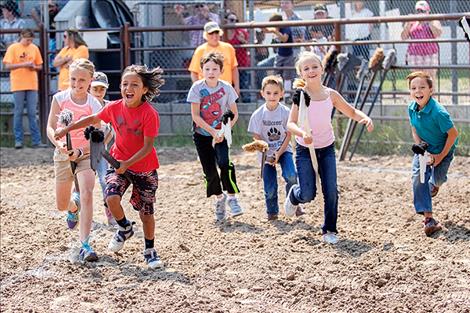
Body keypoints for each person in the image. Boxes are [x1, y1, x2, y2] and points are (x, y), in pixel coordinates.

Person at [55, 64, 165, 270]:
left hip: (144, 168)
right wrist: (67, 129)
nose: (128, 88)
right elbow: (93, 119)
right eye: (124, 84)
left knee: (146, 213)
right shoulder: (114, 107)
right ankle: (124, 228)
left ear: (145, 90)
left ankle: (150, 250)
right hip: (118, 161)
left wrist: (128, 164)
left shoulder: (149, 113)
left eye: (134, 84)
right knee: (111, 198)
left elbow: (148, 146)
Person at [285, 51, 374, 244]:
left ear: (322, 69)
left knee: (331, 190)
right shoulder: (300, 96)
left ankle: (329, 229)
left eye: (314, 67)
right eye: (306, 68)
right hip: (305, 150)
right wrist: (302, 134)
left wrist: (364, 118)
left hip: (326, 148)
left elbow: (350, 110)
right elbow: (290, 124)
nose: (311, 71)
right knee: (308, 194)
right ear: (301, 73)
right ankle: (294, 195)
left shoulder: (330, 94)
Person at [46, 58, 102, 262]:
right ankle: (73, 207)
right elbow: (51, 127)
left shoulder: (94, 104)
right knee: (62, 204)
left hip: (85, 153)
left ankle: (85, 244)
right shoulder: (59, 99)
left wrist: (79, 151)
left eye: (82, 80)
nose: (77, 84)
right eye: (73, 79)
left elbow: (98, 136)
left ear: (90, 81)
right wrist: (58, 144)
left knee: (87, 192)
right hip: (62, 154)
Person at [187, 52, 244, 222]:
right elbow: (196, 116)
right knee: (209, 170)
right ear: (202, 70)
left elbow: (234, 114)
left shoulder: (226, 88)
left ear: (221, 70)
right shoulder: (197, 88)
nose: (211, 72)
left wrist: (223, 131)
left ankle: (233, 198)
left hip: (222, 133)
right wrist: (212, 132)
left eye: (215, 69)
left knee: (225, 163)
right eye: (207, 69)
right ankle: (220, 199)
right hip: (203, 134)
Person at [406, 71, 458, 237]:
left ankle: (434, 185)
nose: (417, 91)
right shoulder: (411, 108)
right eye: (413, 88)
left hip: (443, 151)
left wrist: (440, 157)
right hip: (425, 150)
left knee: (438, 180)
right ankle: (429, 220)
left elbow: (453, 134)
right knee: (418, 179)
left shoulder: (439, 113)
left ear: (431, 90)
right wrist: (420, 146)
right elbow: (414, 128)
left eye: (422, 87)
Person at [247, 75, 298, 221]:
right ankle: (272, 212)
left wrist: (278, 153)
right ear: (262, 93)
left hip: (283, 149)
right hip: (265, 154)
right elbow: (257, 138)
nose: (272, 96)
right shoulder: (257, 115)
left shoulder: (285, 112)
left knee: (291, 176)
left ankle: (294, 201)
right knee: (269, 187)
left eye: (276, 93)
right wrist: (267, 155)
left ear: (282, 93)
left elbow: (289, 135)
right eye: (268, 93)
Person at [2, 29, 46, 149]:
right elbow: (7, 65)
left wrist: (34, 67)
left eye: (31, 40)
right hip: (18, 84)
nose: (29, 42)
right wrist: (24, 65)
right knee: (18, 112)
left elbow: (40, 66)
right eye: (27, 40)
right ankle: (18, 140)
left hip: (32, 84)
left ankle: (36, 141)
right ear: (21, 37)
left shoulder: (34, 48)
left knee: (32, 113)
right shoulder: (13, 48)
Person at [89, 71, 116, 226]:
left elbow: (111, 130)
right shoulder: (86, 104)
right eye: (95, 89)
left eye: (102, 89)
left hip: (101, 150)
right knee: (83, 183)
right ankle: (79, 211)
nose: (99, 92)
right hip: (84, 151)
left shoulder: (108, 106)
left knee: (105, 181)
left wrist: (102, 146)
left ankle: (110, 214)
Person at [188, 21, 240, 95]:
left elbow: (234, 69)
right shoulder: (200, 50)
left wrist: (237, 86)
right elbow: (194, 72)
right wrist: (198, 89)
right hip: (207, 91)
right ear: (206, 35)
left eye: (216, 33)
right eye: (211, 33)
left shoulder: (228, 48)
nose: (214, 36)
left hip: (226, 90)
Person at [401, 0, 442, 80]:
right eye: (418, 11)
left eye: (422, 11)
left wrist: (428, 20)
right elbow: (403, 37)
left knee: (429, 78)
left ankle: (431, 92)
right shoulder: (412, 21)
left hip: (430, 53)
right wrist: (408, 23)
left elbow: (437, 34)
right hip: (414, 54)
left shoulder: (433, 20)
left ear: (427, 11)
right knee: (416, 78)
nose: (419, 13)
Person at [264, 14, 295, 96]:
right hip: (279, 55)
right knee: (276, 74)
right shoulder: (276, 29)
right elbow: (266, 30)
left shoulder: (285, 28)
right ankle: (277, 93)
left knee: (287, 76)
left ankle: (287, 95)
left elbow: (284, 39)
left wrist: (275, 31)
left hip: (288, 55)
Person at [31, 0, 60, 72]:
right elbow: (33, 10)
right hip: (50, 38)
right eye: (48, 7)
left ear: (56, 6)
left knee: (52, 45)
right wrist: (40, 23)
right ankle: (50, 68)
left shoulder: (58, 13)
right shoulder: (46, 15)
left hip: (58, 38)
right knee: (50, 44)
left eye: (52, 6)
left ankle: (52, 68)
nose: (50, 9)